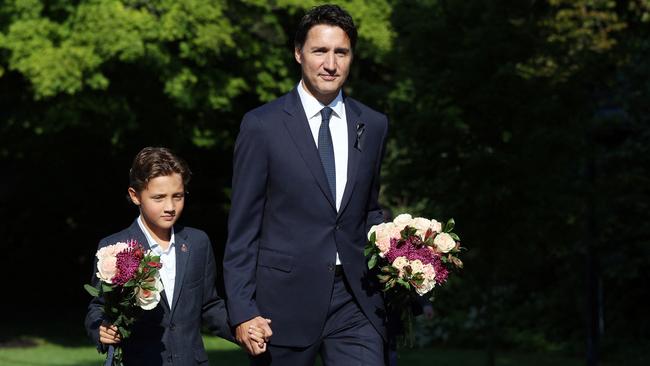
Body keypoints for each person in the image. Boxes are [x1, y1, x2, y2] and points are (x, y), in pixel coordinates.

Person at [223, 4, 389, 365]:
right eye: (320, 51)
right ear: (298, 53)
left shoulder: (373, 125)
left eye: (341, 52)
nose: (331, 63)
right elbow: (243, 228)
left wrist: (408, 251)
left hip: (356, 301)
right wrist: (241, 309)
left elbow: (369, 210)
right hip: (281, 305)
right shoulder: (262, 126)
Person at [85, 147, 268, 365]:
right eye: (159, 198)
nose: (170, 207)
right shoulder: (114, 248)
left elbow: (210, 306)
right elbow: (97, 307)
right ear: (135, 196)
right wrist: (101, 330)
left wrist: (243, 328)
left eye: (178, 196)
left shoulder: (198, 243)